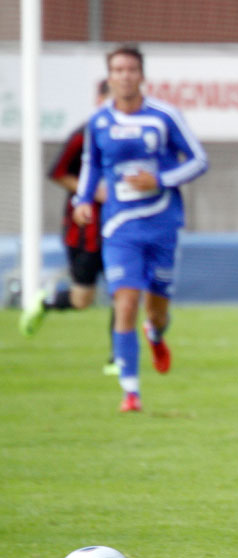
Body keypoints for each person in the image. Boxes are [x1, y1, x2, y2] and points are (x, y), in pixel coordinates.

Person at [72, 44, 208, 412]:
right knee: (126, 302)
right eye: (118, 70)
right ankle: (130, 391)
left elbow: (199, 160)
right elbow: (91, 165)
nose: (125, 76)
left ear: (141, 76)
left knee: (156, 310)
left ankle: (156, 332)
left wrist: (160, 179)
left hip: (162, 225)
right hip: (119, 227)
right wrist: (83, 200)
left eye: (131, 69)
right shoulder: (99, 121)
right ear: (110, 76)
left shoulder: (164, 116)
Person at [20, 80, 118, 374]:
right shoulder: (83, 134)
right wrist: (90, 190)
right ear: (98, 99)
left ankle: (118, 358)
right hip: (84, 232)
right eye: (111, 98)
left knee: (123, 292)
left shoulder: (129, 135)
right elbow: (57, 172)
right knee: (81, 299)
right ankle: (48, 301)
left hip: (118, 229)